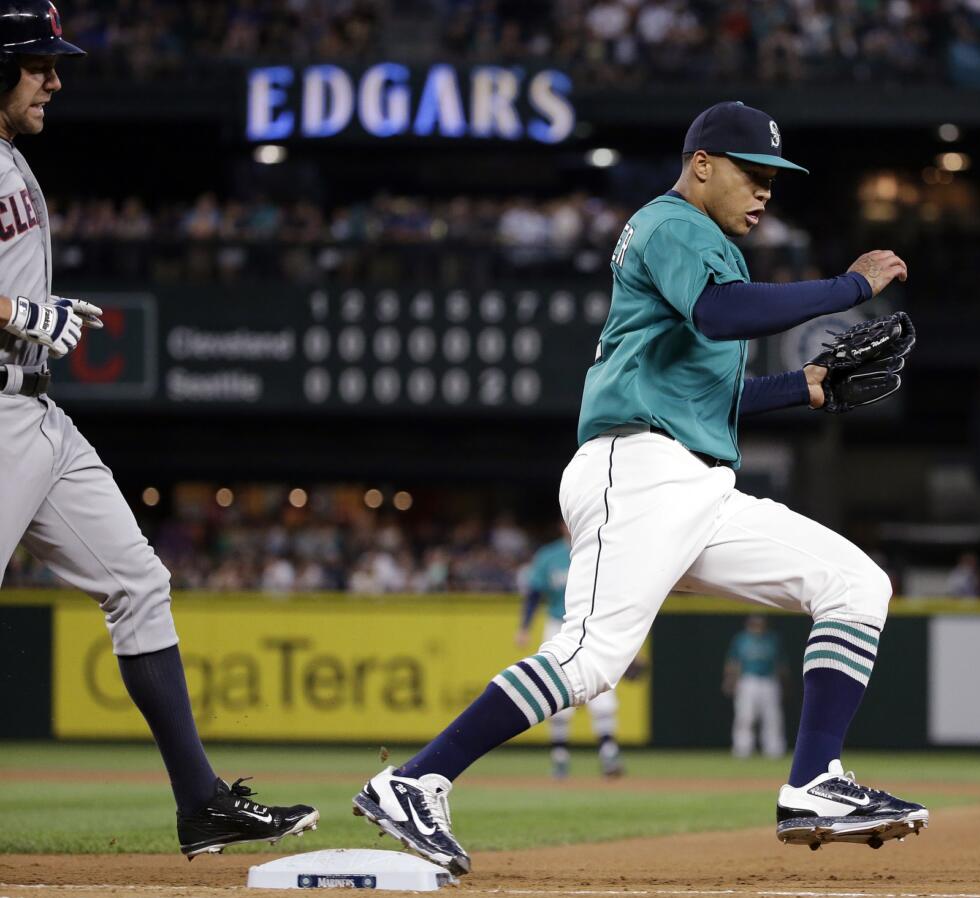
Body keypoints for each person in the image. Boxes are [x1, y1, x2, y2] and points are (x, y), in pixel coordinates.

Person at [352, 100, 926, 875]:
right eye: (752, 175)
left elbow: (704, 393)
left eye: (773, 180)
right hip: (639, 470)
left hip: (690, 483)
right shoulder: (673, 226)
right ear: (701, 165)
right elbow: (722, 318)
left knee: (855, 585)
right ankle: (414, 780)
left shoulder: (704, 246)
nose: (764, 192)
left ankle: (814, 785)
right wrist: (848, 287)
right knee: (589, 658)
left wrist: (807, 387)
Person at [0, 2, 317, 857]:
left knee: (139, 582)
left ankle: (201, 802)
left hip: (34, 411)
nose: (55, 79)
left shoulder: (11, 161)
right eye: (38, 65)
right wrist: (19, 310)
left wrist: (26, 315)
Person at [517, 522, 624, 779]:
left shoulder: (602, 549)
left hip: (594, 626)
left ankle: (608, 752)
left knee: (602, 690)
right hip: (558, 625)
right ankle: (560, 757)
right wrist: (524, 627)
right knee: (556, 689)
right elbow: (534, 593)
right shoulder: (549, 556)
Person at [723, 614, 786, 759]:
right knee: (745, 716)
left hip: (769, 681)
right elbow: (733, 662)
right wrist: (729, 681)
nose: (757, 627)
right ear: (749, 624)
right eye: (754, 624)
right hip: (747, 680)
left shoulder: (772, 639)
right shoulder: (741, 639)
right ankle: (742, 749)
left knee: (772, 717)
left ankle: (774, 750)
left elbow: (780, 664)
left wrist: (784, 683)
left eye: (760, 624)